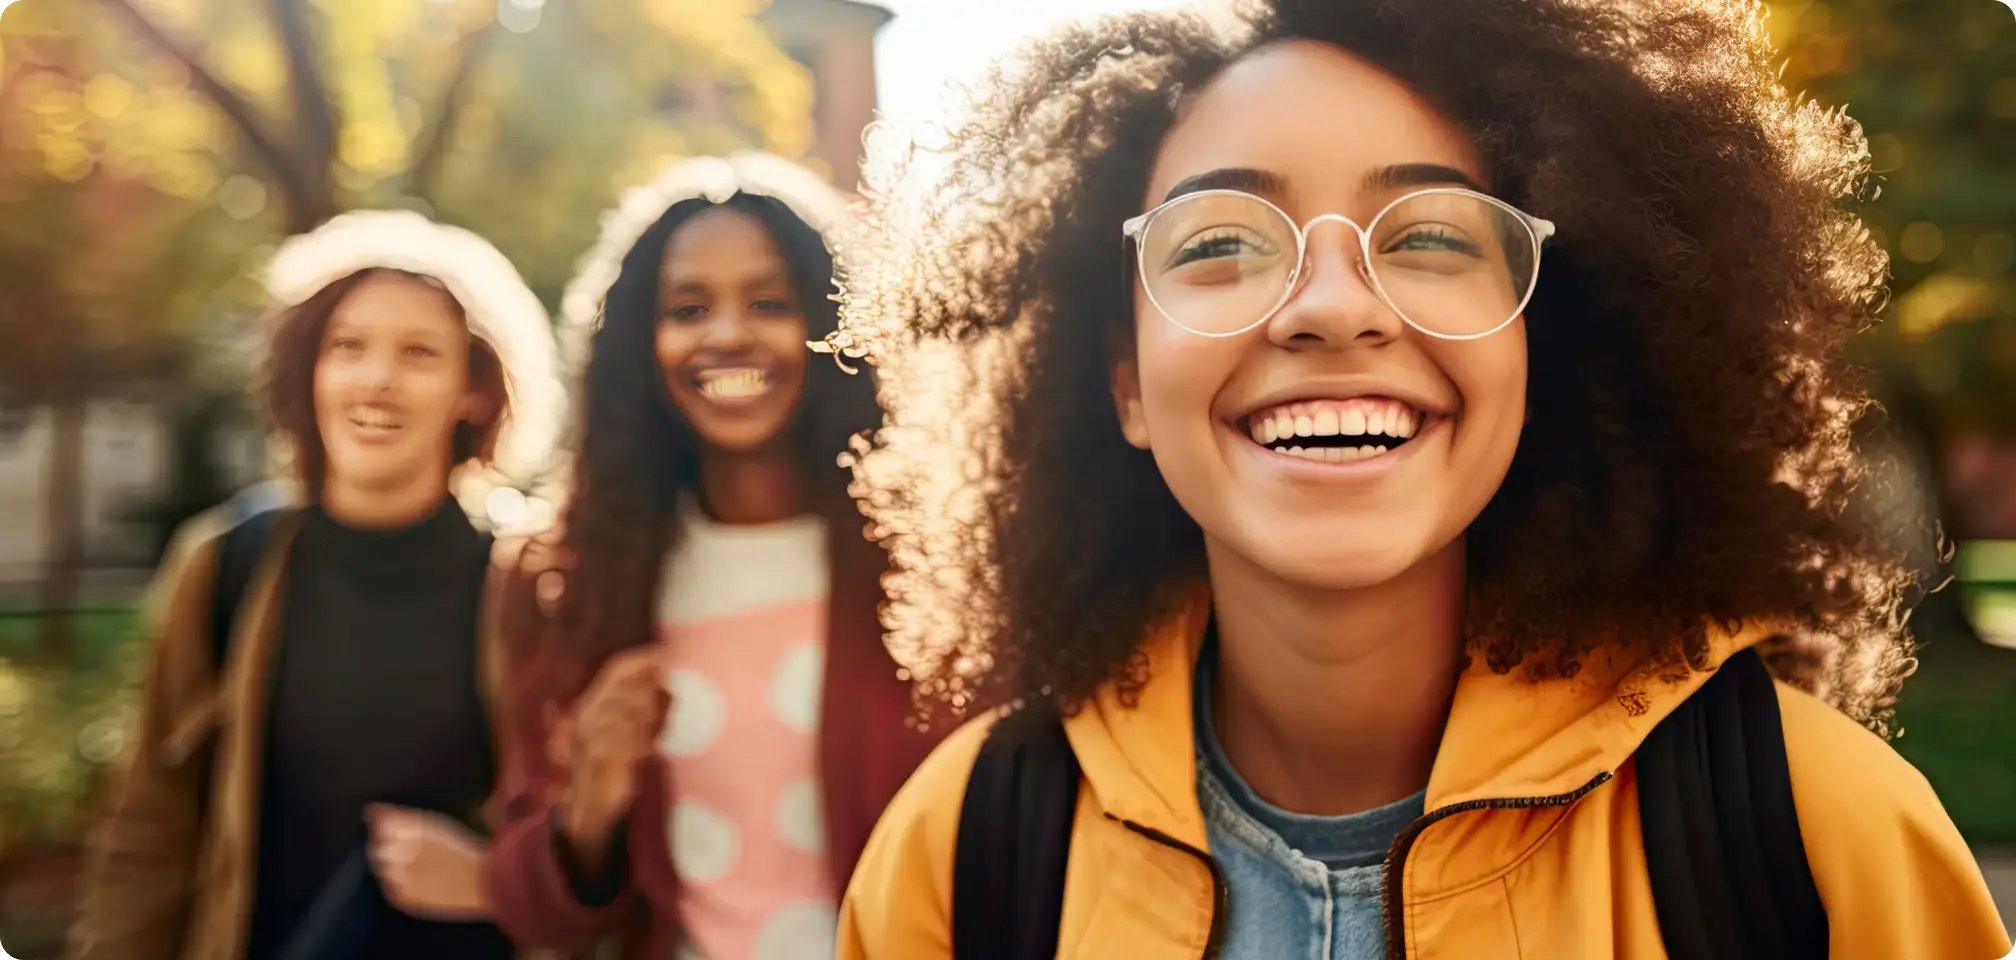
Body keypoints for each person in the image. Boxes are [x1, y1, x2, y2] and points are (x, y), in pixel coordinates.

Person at [831, 1, 2014, 958]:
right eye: (1221, 243)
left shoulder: (1812, 834)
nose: (1333, 306)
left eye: (1431, 237)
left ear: (1543, 354)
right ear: (1127, 385)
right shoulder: (963, 858)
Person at [68, 210, 566, 959]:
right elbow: (150, 828)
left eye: (419, 353)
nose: (376, 379)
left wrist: (495, 877)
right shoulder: (225, 564)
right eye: (348, 346)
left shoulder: (533, 576)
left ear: (476, 392)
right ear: (308, 367)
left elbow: (589, 833)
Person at [479, 154, 941, 960]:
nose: (728, 334)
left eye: (770, 302)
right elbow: (533, 909)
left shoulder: (934, 562)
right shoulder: (565, 578)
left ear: (838, 326)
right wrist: (587, 809)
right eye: (688, 308)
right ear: (637, 343)